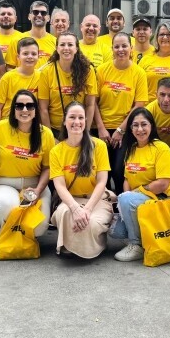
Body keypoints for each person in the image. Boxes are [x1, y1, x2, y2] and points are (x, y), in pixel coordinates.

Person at [112, 107, 170, 262]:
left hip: (162, 200)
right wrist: (125, 196)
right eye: (135, 125)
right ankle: (145, 237)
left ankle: (136, 245)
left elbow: (163, 184)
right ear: (130, 128)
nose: (139, 129)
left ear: (151, 126)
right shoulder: (131, 149)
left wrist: (133, 195)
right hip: (140, 200)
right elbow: (127, 179)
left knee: (127, 200)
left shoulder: (161, 148)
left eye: (144, 124)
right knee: (116, 232)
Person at [50, 102, 114, 258]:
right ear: (64, 121)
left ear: (86, 122)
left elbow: (102, 181)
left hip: (96, 199)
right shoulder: (56, 151)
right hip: (70, 199)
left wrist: (87, 209)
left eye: (81, 118)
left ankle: (91, 246)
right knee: (65, 213)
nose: (77, 122)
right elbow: (59, 186)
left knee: (90, 222)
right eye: (72, 117)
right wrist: (75, 208)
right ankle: (72, 245)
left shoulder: (98, 146)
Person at [0, 90, 55, 237]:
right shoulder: (1, 127)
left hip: (35, 185)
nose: (25, 110)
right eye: (19, 106)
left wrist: (38, 190)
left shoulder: (46, 134)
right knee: (4, 206)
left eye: (30, 106)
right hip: (5, 183)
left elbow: (47, 168)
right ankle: (10, 234)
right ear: (13, 110)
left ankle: (18, 234)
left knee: (38, 227)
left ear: (35, 110)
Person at [94, 32, 149, 192]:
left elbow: (139, 105)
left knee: (119, 171)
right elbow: (93, 102)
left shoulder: (138, 73)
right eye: (116, 46)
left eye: (124, 46)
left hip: (125, 130)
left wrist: (121, 130)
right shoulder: (102, 70)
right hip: (101, 129)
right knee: (100, 172)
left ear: (131, 48)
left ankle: (120, 205)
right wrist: (100, 127)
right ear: (112, 49)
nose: (121, 49)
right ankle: (102, 206)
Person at [38, 31, 98, 133]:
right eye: (62, 45)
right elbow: (43, 108)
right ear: (57, 49)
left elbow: (90, 105)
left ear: (76, 48)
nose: (66, 48)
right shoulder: (47, 71)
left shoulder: (87, 70)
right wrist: (50, 136)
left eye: (70, 45)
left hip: (79, 128)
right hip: (55, 129)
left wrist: (85, 133)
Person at [0, 37, 41, 127]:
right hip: (8, 124)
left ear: (38, 56)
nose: (30, 56)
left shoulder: (42, 77)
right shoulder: (8, 77)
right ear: (18, 57)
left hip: (31, 125)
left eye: (33, 54)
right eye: (25, 53)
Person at [5, 1, 57, 70]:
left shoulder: (56, 42)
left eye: (43, 13)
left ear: (48, 18)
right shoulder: (17, 40)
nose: (39, 15)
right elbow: (9, 67)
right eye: (35, 12)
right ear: (29, 16)